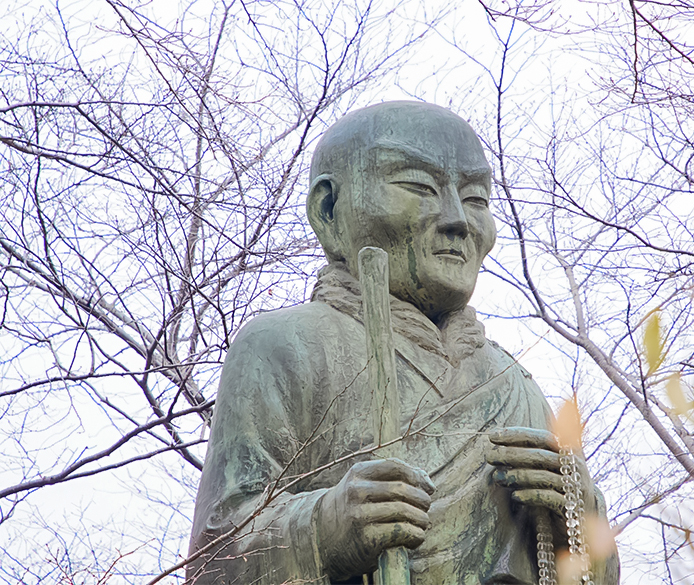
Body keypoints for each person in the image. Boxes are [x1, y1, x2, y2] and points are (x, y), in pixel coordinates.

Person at [187, 101, 620, 584]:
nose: (459, 220)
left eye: (477, 199)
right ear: (329, 209)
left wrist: (578, 513)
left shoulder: (514, 386)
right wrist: (327, 526)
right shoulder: (283, 346)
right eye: (419, 187)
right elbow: (214, 562)